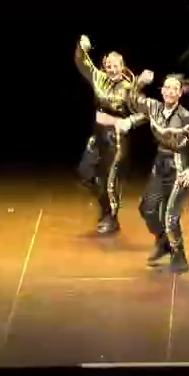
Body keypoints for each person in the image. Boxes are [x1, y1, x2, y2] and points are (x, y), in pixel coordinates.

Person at [119, 71, 189, 273]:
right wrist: (139, 83)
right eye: (166, 87)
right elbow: (131, 100)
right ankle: (163, 241)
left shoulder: (187, 118)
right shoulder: (154, 107)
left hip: (179, 167)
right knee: (147, 208)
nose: (169, 91)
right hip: (160, 163)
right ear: (162, 91)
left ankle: (179, 257)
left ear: (180, 93)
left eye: (174, 88)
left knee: (170, 216)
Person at [74, 35, 148, 235]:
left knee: (109, 181)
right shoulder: (99, 78)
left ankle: (111, 217)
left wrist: (128, 122)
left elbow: (147, 112)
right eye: (109, 65)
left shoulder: (130, 88)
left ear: (123, 66)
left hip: (115, 140)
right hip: (97, 135)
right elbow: (82, 62)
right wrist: (82, 47)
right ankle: (105, 206)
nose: (112, 69)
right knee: (85, 174)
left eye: (116, 66)